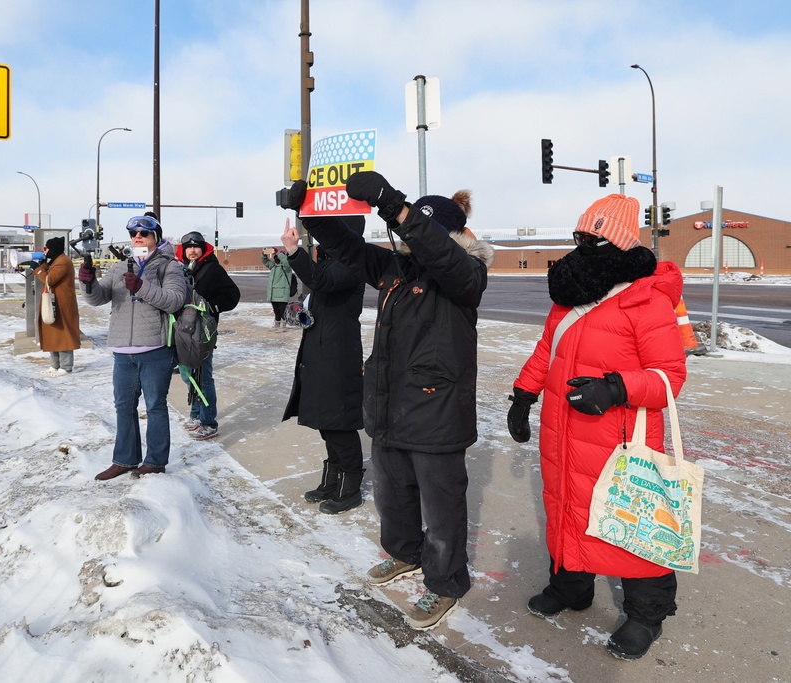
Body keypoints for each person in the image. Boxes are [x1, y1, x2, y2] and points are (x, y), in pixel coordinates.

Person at [279, 171, 494, 630]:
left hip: (436, 412)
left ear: (448, 234)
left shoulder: (466, 274)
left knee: (441, 508)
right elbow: (350, 250)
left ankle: (445, 583)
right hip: (390, 406)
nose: (417, 238)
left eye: (425, 230)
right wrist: (311, 211)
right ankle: (404, 554)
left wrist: (396, 207)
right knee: (393, 495)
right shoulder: (398, 269)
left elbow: (443, 257)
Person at [506, 194, 688, 660]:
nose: (583, 246)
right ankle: (570, 589)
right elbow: (548, 350)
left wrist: (615, 388)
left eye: (594, 237)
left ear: (621, 244)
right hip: (562, 430)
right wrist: (524, 395)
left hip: (619, 437)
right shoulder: (570, 293)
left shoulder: (647, 300)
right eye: (579, 236)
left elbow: (670, 377)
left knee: (631, 524)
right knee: (566, 506)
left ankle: (646, 614)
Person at [78, 215, 187, 479]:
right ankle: (125, 460)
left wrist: (142, 286)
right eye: (134, 233)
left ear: (155, 237)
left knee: (155, 407)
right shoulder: (118, 268)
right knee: (123, 406)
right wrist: (87, 282)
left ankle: (155, 461)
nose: (138, 237)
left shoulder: (169, 267)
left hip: (155, 349)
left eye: (144, 233)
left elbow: (174, 300)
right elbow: (98, 299)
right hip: (122, 353)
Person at [279, 216, 366, 514]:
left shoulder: (352, 262)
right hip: (319, 351)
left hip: (338, 355)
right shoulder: (331, 261)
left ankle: (351, 486)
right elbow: (317, 290)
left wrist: (294, 250)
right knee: (325, 422)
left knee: (339, 423)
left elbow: (321, 282)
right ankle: (333, 479)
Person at [174, 230, 241, 441]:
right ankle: (195, 414)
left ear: (203, 249)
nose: (193, 251)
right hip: (182, 331)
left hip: (202, 332)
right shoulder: (180, 270)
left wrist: (211, 307)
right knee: (187, 374)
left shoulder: (212, 269)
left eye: (196, 247)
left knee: (203, 377)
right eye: (189, 248)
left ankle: (208, 422)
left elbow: (232, 295)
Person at [33, 236, 80, 376]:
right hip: (54, 302)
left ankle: (65, 366)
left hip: (62, 304)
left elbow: (49, 280)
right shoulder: (56, 260)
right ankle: (55, 365)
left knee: (63, 334)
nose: (45, 251)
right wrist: (43, 265)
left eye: (46, 248)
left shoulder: (62, 262)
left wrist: (38, 270)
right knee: (53, 333)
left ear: (53, 249)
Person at [261, 246, 294, 330]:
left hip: (282, 293)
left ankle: (283, 324)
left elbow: (286, 262)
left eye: (277, 257)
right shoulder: (273, 267)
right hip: (273, 293)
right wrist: (264, 254)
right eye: (275, 257)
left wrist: (279, 253)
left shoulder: (286, 268)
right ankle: (277, 324)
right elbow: (265, 261)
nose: (276, 259)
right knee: (276, 311)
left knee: (282, 311)